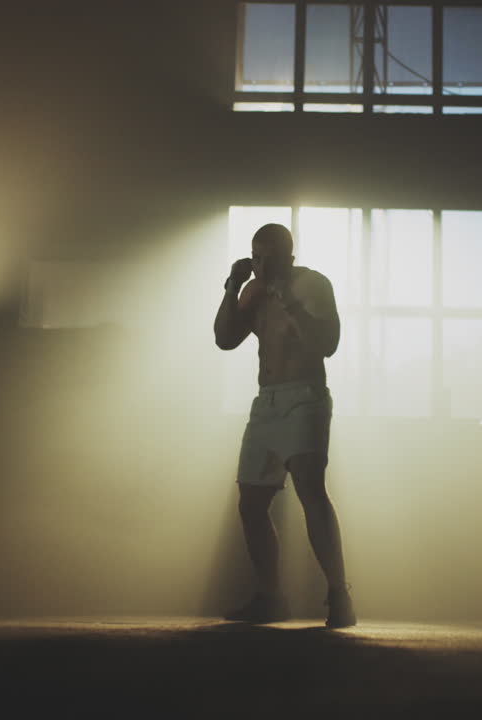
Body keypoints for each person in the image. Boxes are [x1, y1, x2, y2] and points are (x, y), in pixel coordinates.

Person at [213, 223, 355, 628]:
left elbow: (327, 344)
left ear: (288, 257)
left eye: (269, 257)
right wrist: (232, 288)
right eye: (256, 256)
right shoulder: (252, 290)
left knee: (311, 490)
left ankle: (339, 594)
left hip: (304, 397)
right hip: (267, 402)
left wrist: (287, 299)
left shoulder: (312, 284)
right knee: (250, 503)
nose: (261, 265)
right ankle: (270, 597)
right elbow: (224, 339)